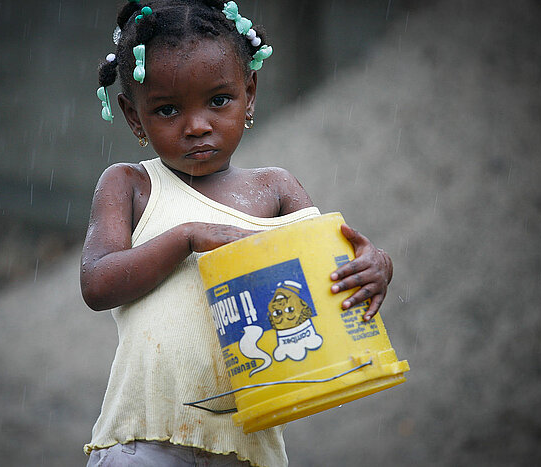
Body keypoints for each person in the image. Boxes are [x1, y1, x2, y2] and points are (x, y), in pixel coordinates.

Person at [81, 1, 393, 465]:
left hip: (248, 446)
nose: (197, 126)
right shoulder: (131, 185)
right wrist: (187, 237)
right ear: (133, 116)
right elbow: (98, 283)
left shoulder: (275, 189)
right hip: (144, 441)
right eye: (167, 109)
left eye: (219, 100)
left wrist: (374, 266)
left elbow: (329, 270)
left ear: (249, 93)